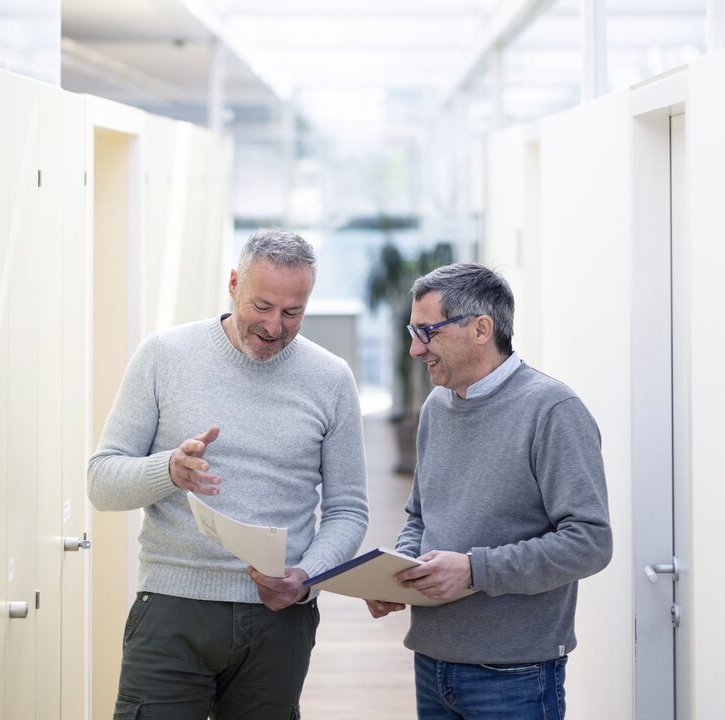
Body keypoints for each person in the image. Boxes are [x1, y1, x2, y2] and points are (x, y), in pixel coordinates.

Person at [88, 229, 369, 720]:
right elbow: (102, 482)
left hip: (281, 618)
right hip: (173, 608)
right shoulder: (163, 355)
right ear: (234, 284)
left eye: (293, 312)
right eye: (262, 306)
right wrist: (169, 470)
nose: (275, 327)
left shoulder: (331, 378)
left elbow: (348, 510)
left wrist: (307, 577)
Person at [366, 262, 612, 720]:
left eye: (428, 332)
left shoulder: (553, 411)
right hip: (432, 659)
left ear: (481, 329)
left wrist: (473, 570)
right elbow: (420, 516)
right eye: (413, 332)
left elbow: (590, 543)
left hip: (516, 673)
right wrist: (399, 572)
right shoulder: (436, 407)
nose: (416, 349)